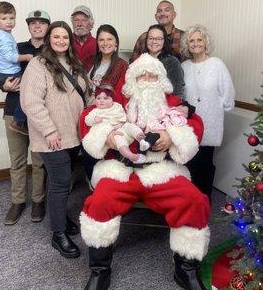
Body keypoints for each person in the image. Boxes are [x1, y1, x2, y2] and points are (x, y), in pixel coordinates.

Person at [79, 53, 210, 290]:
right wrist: (107, 135)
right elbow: (86, 117)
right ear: (132, 79)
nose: (147, 80)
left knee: (194, 200)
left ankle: (186, 270)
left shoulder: (171, 102)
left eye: (153, 75)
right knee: (99, 202)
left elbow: (196, 122)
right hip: (120, 169)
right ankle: (100, 271)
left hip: (160, 170)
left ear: (161, 79)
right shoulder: (118, 99)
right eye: (142, 75)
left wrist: (171, 135)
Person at [20, 21, 90, 259]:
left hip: (72, 136)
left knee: (62, 182)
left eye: (65, 37)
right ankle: (58, 234)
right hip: (52, 137)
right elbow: (30, 102)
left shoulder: (73, 64)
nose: (61, 41)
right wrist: (49, 131)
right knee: (60, 183)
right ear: (49, 39)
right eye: (56, 36)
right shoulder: (38, 65)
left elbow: (84, 94)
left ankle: (61, 217)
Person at [0, 8, 51, 225]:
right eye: (33, 23)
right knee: (17, 161)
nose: (37, 26)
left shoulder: (53, 49)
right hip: (13, 110)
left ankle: (38, 200)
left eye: (42, 23)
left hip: (40, 114)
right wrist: (3, 84)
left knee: (39, 161)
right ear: (28, 26)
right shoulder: (16, 48)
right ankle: (17, 202)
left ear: (47, 26)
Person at [181, 25, 235, 201]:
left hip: (210, 124)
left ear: (206, 42)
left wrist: (216, 111)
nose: (196, 44)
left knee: (205, 163)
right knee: (188, 163)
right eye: (191, 40)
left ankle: (204, 201)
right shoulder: (184, 66)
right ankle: (190, 201)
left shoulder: (217, 64)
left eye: (199, 39)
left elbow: (228, 95)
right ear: (187, 44)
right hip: (189, 125)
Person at [83, 24, 128, 182]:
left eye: (109, 39)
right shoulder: (89, 62)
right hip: (87, 113)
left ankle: (103, 186)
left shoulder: (122, 65)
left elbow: (121, 94)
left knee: (104, 151)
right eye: (101, 39)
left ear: (116, 43)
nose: (105, 42)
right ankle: (91, 183)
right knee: (88, 150)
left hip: (107, 116)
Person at [0, 1, 33, 135]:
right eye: (4, 18)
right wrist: (26, 57)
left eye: (12, 18)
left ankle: (19, 120)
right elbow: (10, 57)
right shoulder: (3, 36)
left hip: (9, 71)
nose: (9, 22)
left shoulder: (4, 34)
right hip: (9, 73)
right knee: (27, 92)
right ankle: (18, 121)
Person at [82, 86, 145, 162]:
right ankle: (130, 155)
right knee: (119, 139)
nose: (101, 101)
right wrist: (94, 119)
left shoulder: (117, 107)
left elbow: (123, 117)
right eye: (98, 98)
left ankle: (141, 140)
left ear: (112, 100)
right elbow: (87, 120)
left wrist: (121, 124)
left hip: (122, 126)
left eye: (105, 98)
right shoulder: (96, 111)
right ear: (95, 100)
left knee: (131, 126)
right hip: (111, 132)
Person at [144, 24, 185, 98]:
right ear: (146, 40)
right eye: (150, 38)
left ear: (164, 41)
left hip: (165, 107)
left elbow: (178, 93)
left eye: (159, 39)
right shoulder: (141, 61)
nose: (154, 41)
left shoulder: (172, 62)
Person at [71, 5, 97, 72]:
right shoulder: (65, 43)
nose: (79, 24)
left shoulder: (98, 44)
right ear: (72, 22)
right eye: (76, 20)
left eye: (84, 20)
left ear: (91, 23)